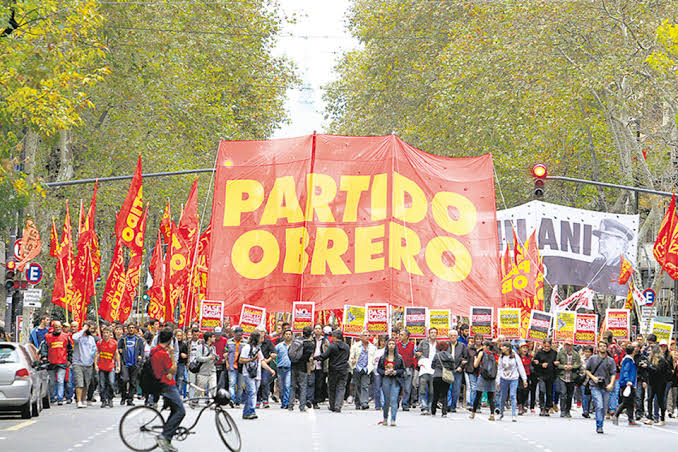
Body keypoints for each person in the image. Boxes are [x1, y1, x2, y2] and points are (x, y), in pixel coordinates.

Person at [151, 328, 186, 452]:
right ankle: (164, 436)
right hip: (167, 385)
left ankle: (167, 439)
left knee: (175, 410)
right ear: (170, 340)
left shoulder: (154, 350)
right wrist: (171, 354)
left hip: (162, 383)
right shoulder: (162, 354)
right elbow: (173, 370)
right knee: (181, 411)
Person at [239, 330, 276, 419]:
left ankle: (246, 412)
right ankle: (251, 411)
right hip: (248, 374)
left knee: (251, 393)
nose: (262, 340)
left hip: (257, 374)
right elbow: (241, 360)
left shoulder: (258, 349)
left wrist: (270, 369)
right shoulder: (247, 348)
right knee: (252, 392)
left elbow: (262, 361)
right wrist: (251, 360)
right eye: (260, 338)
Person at [315, 329, 350, 412]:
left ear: (335, 337)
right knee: (341, 387)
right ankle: (338, 405)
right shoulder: (346, 346)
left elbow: (324, 356)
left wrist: (315, 358)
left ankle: (332, 405)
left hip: (333, 369)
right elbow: (347, 357)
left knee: (332, 388)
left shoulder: (332, 346)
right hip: (344, 369)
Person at [585, 340, 617, 434]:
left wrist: (611, 384)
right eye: (601, 346)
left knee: (604, 408)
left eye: (604, 346)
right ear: (598, 348)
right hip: (594, 386)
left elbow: (613, 373)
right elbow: (587, 370)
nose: (602, 347)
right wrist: (593, 378)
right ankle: (599, 426)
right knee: (599, 405)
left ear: (607, 348)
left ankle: (601, 423)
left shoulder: (610, 360)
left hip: (606, 386)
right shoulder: (592, 359)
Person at [39, 320, 72, 405]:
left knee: (60, 381)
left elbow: (70, 349)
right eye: (56, 327)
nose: (58, 328)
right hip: (51, 362)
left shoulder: (66, 336)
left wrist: (69, 360)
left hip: (62, 362)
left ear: (61, 327)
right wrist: (44, 356)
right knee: (52, 382)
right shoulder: (48, 337)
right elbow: (44, 348)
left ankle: (60, 398)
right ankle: (53, 397)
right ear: (53, 328)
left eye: (59, 327)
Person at [377, 337, 404, 426]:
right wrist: (384, 372)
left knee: (394, 400)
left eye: (393, 344)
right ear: (387, 345)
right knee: (386, 401)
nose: (391, 346)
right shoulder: (383, 358)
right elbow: (378, 369)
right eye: (390, 344)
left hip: (395, 380)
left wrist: (396, 371)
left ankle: (393, 419)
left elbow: (402, 369)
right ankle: (385, 418)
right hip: (386, 379)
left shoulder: (399, 358)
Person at [497, 341, 527, 422]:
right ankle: (501, 412)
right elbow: (499, 368)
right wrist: (498, 381)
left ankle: (514, 414)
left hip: (514, 378)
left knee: (513, 395)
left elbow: (520, 367)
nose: (501, 348)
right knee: (503, 396)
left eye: (503, 346)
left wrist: (524, 379)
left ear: (508, 348)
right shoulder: (501, 357)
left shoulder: (515, 356)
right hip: (503, 378)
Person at [72, 322, 98, 408]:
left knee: (86, 383)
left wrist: (93, 358)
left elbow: (94, 350)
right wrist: (83, 329)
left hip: (88, 364)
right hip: (78, 363)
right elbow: (74, 338)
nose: (90, 330)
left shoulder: (91, 338)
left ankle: (83, 399)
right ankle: (78, 401)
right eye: (89, 328)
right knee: (79, 383)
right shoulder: (78, 336)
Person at [349, 330, 376, 410]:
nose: (367, 337)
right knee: (357, 386)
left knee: (365, 385)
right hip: (357, 368)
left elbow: (373, 359)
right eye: (365, 335)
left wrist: (371, 367)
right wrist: (352, 362)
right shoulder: (355, 346)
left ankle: (364, 402)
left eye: (368, 335)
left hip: (366, 369)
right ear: (361, 337)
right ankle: (358, 402)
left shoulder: (372, 347)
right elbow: (351, 357)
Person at [118, 323, 145, 406]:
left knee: (133, 382)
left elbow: (142, 351)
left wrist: (140, 359)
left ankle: (130, 399)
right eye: (130, 328)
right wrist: (120, 353)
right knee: (124, 380)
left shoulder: (138, 339)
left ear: (135, 329)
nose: (131, 329)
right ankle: (123, 396)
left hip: (135, 363)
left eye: (133, 328)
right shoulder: (123, 339)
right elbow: (118, 349)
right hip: (125, 363)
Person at [289, 326, 314, 411]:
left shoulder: (296, 340)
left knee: (292, 386)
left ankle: (290, 405)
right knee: (303, 386)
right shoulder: (310, 344)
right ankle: (302, 406)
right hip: (303, 366)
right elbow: (308, 358)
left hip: (293, 365)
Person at [470, 340, 497, 420]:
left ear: (487, 347)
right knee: (491, 397)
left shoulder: (481, 353)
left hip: (482, 376)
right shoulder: (494, 354)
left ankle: (473, 413)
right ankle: (492, 414)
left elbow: (475, 365)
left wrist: (475, 359)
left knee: (478, 395)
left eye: (483, 345)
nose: (482, 347)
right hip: (491, 377)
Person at [645, 343, 671, 426]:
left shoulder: (662, 360)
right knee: (649, 399)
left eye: (650, 350)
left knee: (660, 400)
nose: (649, 352)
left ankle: (662, 419)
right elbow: (649, 371)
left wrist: (647, 366)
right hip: (651, 383)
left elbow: (657, 371)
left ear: (654, 351)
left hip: (660, 383)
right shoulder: (650, 359)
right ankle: (650, 418)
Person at [95, 327, 120, 408]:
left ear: (110, 334)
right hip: (101, 366)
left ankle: (110, 398)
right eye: (104, 333)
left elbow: (117, 355)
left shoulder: (114, 343)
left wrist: (118, 366)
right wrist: (95, 365)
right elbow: (97, 354)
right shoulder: (99, 343)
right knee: (102, 384)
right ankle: (103, 400)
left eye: (107, 333)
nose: (105, 334)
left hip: (110, 366)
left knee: (111, 382)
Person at [556, 339, 581, 418]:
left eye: (569, 345)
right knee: (563, 393)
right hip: (562, 376)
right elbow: (557, 363)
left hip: (572, 377)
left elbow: (579, 364)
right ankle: (563, 410)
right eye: (566, 345)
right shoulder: (560, 353)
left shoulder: (576, 355)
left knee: (570, 395)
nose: (567, 346)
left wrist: (572, 367)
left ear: (572, 346)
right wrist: (563, 366)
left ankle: (568, 410)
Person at [613, 344, 638, 426]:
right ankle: (616, 415)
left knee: (630, 402)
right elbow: (626, 371)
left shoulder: (628, 359)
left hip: (629, 383)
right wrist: (628, 380)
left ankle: (631, 419)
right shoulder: (628, 360)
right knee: (626, 401)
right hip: (627, 384)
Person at [533, 339, 558, 416]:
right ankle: (542, 407)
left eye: (548, 346)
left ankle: (547, 408)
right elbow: (533, 363)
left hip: (551, 375)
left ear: (551, 345)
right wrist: (540, 365)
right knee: (542, 390)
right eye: (545, 346)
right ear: (543, 345)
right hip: (541, 375)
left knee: (549, 392)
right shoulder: (539, 353)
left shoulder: (554, 353)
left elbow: (557, 362)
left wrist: (556, 364)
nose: (547, 348)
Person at [416, 327, 438, 415]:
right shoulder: (423, 342)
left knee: (432, 390)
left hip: (434, 369)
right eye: (431, 332)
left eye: (435, 332)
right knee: (422, 389)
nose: (433, 334)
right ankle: (424, 406)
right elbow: (418, 353)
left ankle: (429, 406)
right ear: (429, 334)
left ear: (437, 334)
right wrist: (421, 359)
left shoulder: (438, 344)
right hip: (424, 368)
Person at [430, 341, 453, 417]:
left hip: (437, 375)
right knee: (445, 394)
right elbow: (453, 367)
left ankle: (433, 411)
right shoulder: (450, 356)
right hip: (446, 377)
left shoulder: (437, 355)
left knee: (435, 394)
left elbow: (432, 366)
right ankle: (444, 412)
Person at [447, 329, 468, 412]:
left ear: (457, 336)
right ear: (449, 337)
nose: (453, 337)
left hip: (457, 370)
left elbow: (465, 358)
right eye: (451, 335)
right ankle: (448, 404)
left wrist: (461, 366)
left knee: (456, 389)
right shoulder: (446, 345)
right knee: (447, 388)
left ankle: (453, 406)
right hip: (447, 370)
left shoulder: (462, 346)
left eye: (454, 335)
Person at [310, 324, 330, 409]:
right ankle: (309, 400)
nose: (317, 330)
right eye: (316, 328)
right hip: (311, 365)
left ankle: (316, 402)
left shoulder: (325, 340)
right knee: (311, 383)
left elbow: (328, 351)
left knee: (319, 384)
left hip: (321, 365)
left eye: (319, 329)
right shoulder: (310, 339)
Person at [195, 332, 218, 403]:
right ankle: (195, 400)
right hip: (203, 371)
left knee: (213, 387)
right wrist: (208, 358)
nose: (215, 338)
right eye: (213, 337)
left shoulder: (213, 347)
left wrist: (216, 358)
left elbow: (214, 357)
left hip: (212, 371)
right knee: (200, 388)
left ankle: (212, 401)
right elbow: (198, 358)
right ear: (209, 338)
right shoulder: (200, 347)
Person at [274, 329, 293, 409]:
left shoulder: (294, 345)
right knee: (281, 387)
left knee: (287, 385)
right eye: (286, 334)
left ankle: (286, 403)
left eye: (289, 334)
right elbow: (273, 354)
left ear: (292, 336)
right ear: (283, 335)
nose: (288, 335)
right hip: (280, 368)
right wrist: (277, 361)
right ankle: (283, 400)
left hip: (289, 368)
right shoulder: (279, 346)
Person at [396, 329, 415, 411]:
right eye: (399, 334)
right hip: (398, 369)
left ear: (407, 336)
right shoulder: (396, 345)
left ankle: (405, 403)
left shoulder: (413, 345)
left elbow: (415, 355)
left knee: (407, 388)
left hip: (408, 368)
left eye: (402, 335)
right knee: (397, 387)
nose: (399, 336)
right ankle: (395, 403)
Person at [226, 327, 245, 406]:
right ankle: (232, 400)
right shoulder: (229, 342)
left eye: (240, 335)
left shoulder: (245, 342)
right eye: (237, 335)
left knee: (240, 385)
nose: (238, 336)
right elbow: (226, 353)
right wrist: (227, 363)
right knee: (232, 384)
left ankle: (238, 401)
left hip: (241, 367)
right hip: (231, 366)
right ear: (234, 334)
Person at [464, 333, 483, 409]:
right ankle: (472, 404)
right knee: (473, 387)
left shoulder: (483, 349)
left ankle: (478, 404)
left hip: (481, 371)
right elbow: (465, 357)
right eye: (477, 339)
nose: (478, 341)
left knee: (479, 388)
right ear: (474, 340)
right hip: (471, 370)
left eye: (480, 339)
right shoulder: (469, 349)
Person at [516, 341, 533, 415]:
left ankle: (523, 404)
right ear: (520, 349)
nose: (525, 349)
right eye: (523, 347)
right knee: (520, 390)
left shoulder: (530, 357)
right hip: (518, 376)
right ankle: (519, 406)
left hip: (527, 375)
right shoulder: (516, 356)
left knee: (526, 391)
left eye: (526, 348)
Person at [373, 334, 388, 411]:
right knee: (377, 388)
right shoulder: (375, 350)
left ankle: (385, 403)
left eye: (384, 341)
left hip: (385, 371)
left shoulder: (387, 350)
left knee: (385, 388)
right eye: (381, 341)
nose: (383, 342)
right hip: (376, 371)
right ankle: (377, 404)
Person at [580, 345, 594, 418]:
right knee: (584, 396)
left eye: (589, 352)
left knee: (591, 397)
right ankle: (585, 411)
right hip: (584, 381)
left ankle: (590, 409)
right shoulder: (581, 359)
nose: (587, 353)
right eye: (586, 352)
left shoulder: (595, 359)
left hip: (592, 381)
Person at [176, 330, 189, 398]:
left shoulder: (183, 344)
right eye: (178, 335)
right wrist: (179, 355)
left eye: (180, 335)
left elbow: (186, 355)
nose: (179, 337)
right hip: (173, 364)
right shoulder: (173, 344)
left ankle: (178, 394)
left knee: (180, 380)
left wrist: (185, 357)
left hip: (181, 364)